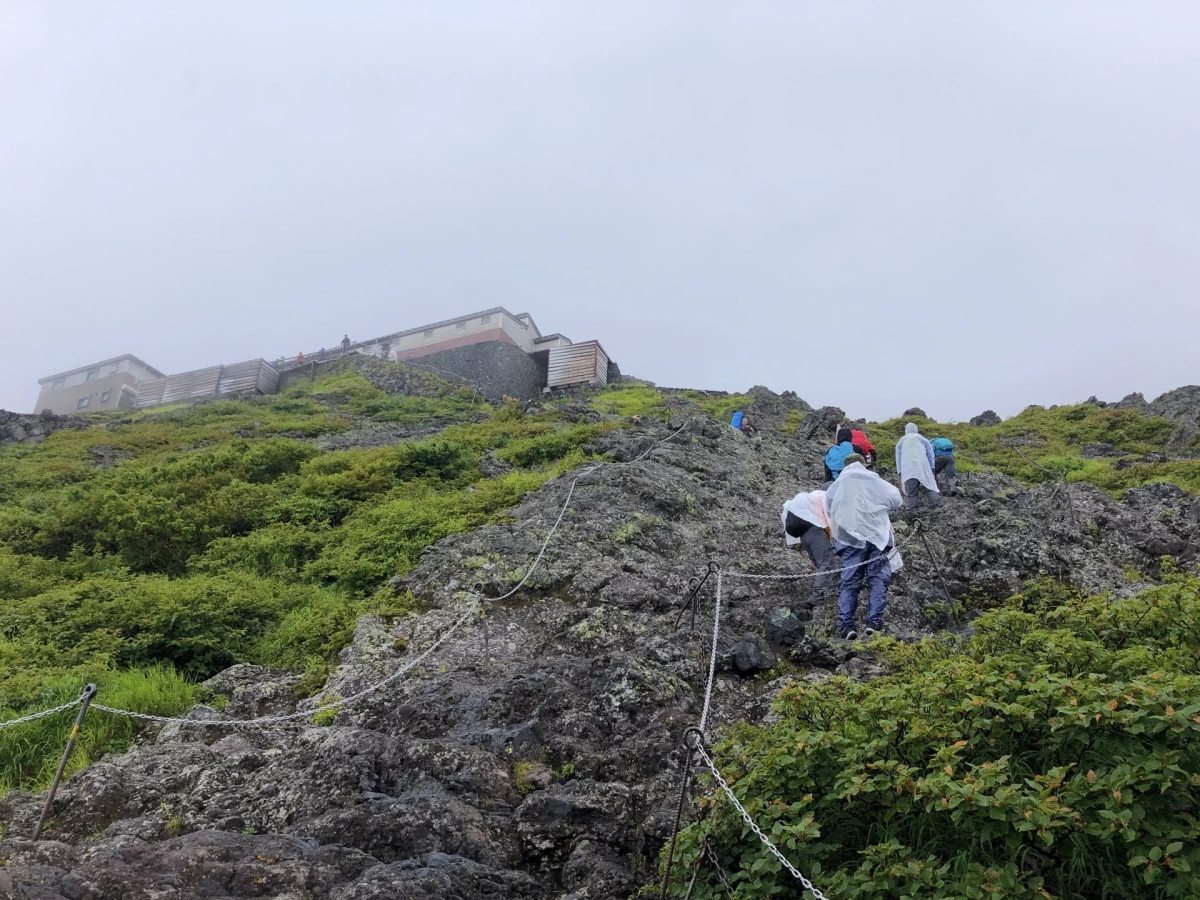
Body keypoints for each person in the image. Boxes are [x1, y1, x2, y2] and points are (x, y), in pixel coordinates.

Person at [827, 454, 903, 639]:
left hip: (849, 540)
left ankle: (847, 626)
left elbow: (831, 508)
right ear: (863, 464)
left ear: (844, 467)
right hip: (877, 537)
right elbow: (896, 499)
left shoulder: (836, 486)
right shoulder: (873, 480)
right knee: (878, 578)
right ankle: (873, 622)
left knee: (849, 581)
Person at [781, 489, 838, 603]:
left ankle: (821, 593)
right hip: (815, 533)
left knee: (820, 564)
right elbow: (828, 517)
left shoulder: (808, 499)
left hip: (803, 536)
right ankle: (818, 596)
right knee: (825, 563)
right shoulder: (823, 496)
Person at [895, 423, 941, 510]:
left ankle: (913, 509)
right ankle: (936, 505)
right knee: (930, 485)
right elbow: (931, 454)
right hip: (923, 466)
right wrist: (932, 468)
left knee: (912, 491)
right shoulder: (923, 439)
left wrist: (899, 471)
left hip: (908, 468)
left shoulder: (901, 441)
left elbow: (898, 456)